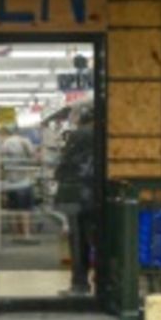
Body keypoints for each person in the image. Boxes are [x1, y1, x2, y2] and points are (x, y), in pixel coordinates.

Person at [54, 103, 97, 296]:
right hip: (100, 193)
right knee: (99, 238)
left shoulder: (79, 134)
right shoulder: (107, 133)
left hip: (78, 194)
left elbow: (66, 164)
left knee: (78, 241)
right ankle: (104, 283)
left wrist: (58, 174)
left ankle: (80, 284)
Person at [0, 126, 37, 239]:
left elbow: (1, 164)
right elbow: (34, 159)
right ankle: (26, 234)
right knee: (25, 210)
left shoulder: (4, 144)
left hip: (10, 182)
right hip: (25, 181)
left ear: (5, 131)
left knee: (13, 209)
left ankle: (15, 234)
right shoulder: (25, 141)